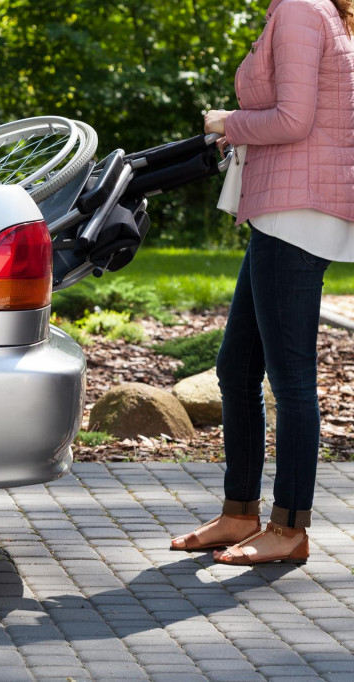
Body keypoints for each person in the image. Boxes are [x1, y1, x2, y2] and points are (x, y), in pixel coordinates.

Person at [170, 0, 354, 564]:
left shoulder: (301, 8)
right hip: (284, 210)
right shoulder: (310, 9)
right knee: (237, 367)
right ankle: (239, 513)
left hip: (293, 213)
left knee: (290, 377)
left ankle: (290, 526)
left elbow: (293, 120)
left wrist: (227, 122)